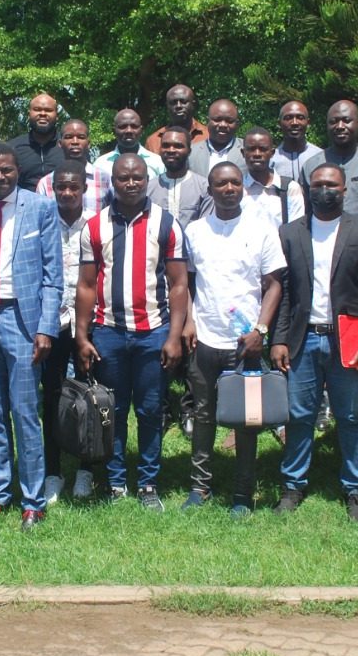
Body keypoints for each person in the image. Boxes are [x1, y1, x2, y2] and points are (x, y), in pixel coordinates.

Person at [269, 164, 358, 520]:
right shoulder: (290, 233)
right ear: (308, 189)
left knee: (351, 417)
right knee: (299, 415)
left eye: (331, 185)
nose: (325, 190)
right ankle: (293, 485)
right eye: (317, 185)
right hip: (303, 340)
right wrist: (279, 339)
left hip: (347, 342)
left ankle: (354, 490)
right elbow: (284, 292)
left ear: (345, 189)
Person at [75, 155, 189, 508]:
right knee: (113, 410)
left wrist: (174, 335)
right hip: (108, 331)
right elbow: (86, 285)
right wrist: (82, 336)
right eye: (123, 178)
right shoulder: (94, 227)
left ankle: (149, 484)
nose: (130, 183)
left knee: (151, 410)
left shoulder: (167, 225)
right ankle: (116, 482)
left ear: (146, 180)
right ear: (113, 181)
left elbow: (179, 284)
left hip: (153, 332)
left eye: (137, 177)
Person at [0, 144, 62, 531]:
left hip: (21, 318)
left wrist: (45, 327)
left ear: (18, 171)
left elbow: (53, 275)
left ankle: (32, 500)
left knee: (24, 413)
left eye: (6, 170)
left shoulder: (40, 208)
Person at [181, 162, 285, 515]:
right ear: (209, 190)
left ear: (243, 187)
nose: (228, 188)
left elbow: (274, 285)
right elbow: (187, 284)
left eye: (235, 183)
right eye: (221, 183)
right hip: (205, 337)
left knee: (246, 419)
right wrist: (189, 321)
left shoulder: (262, 229)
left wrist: (261, 330)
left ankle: (242, 493)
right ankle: (200, 486)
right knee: (203, 413)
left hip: (246, 342)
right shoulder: (195, 231)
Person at [46, 162, 90, 503]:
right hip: (53, 321)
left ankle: (87, 470)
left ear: (84, 189)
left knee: (92, 395)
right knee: (51, 396)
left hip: (89, 321)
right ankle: (52, 471)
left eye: (73, 187)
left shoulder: (96, 224)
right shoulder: (43, 222)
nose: (67, 192)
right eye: (61, 186)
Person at [300, 100, 358, 219]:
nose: (340, 126)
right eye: (333, 122)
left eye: (346, 121)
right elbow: (305, 209)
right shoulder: (311, 165)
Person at [35, 119, 104, 215]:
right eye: (68, 137)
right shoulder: (46, 183)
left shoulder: (104, 178)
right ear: (60, 143)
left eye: (81, 137)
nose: (75, 142)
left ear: (88, 143)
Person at [241, 127, 306, 229]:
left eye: (263, 149)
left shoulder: (290, 189)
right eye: (251, 149)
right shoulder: (237, 189)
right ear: (243, 153)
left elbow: (295, 231)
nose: (257, 154)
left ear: (272, 153)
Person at [94, 108, 164, 187]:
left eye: (134, 126)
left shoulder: (157, 163)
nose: (129, 131)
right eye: (123, 126)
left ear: (141, 130)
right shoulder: (100, 164)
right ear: (114, 131)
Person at [155, 126, 210, 225]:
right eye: (166, 145)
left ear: (189, 151)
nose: (171, 150)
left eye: (178, 146)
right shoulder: (149, 188)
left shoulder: (204, 188)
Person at [8, 93, 65, 188]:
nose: (43, 114)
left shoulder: (67, 147)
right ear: (29, 114)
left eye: (48, 110)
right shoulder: (13, 148)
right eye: (37, 110)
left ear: (57, 115)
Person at [144, 83, 207, 153]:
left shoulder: (208, 136)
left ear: (193, 104)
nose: (178, 106)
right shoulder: (154, 141)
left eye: (183, 102)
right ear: (167, 106)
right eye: (173, 103)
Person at [188, 99, 245, 177]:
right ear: (207, 121)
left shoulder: (248, 151)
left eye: (229, 120)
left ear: (237, 124)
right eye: (217, 120)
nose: (223, 125)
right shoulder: (190, 152)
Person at [271, 101, 323, 185]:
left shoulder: (321, 157)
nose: (294, 122)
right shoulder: (271, 160)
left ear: (308, 123)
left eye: (300, 118)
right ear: (279, 123)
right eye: (288, 118)